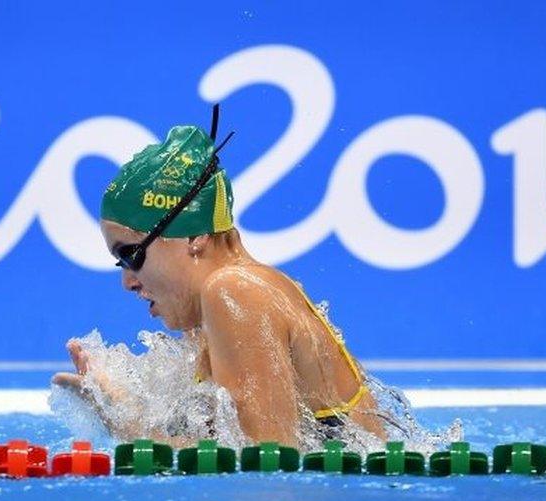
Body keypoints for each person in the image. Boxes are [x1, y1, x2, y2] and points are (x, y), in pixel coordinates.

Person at [52, 109, 386, 447]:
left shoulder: (234, 291)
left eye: (131, 255)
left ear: (194, 235)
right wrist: (125, 408)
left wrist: (129, 430)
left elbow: (266, 462)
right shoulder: (217, 314)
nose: (128, 282)